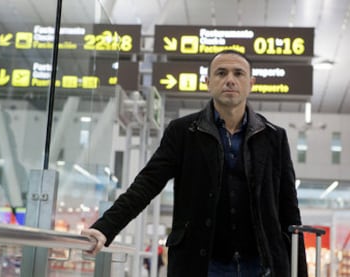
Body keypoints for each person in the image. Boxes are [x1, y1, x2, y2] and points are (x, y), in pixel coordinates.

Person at [81, 50, 308, 276]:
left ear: (251, 83)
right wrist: (105, 228)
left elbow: (289, 210)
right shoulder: (183, 132)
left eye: (238, 73)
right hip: (202, 264)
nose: (230, 79)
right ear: (208, 82)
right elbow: (147, 183)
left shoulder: (273, 137)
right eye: (221, 73)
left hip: (261, 264)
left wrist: (300, 272)